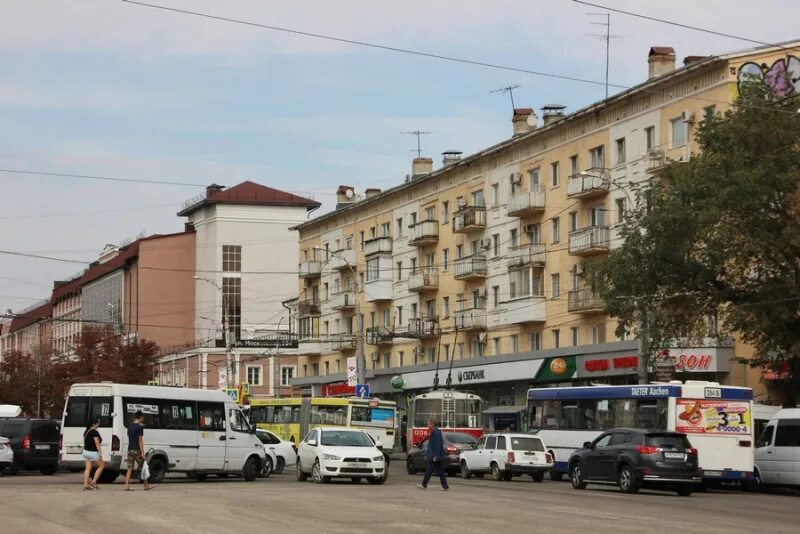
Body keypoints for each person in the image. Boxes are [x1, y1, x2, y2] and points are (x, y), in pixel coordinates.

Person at [124, 411, 154, 491]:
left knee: (129, 468)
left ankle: (126, 486)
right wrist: (143, 453)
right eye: (143, 418)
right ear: (140, 417)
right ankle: (146, 485)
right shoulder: (140, 428)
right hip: (137, 450)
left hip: (130, 449)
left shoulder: (129, 427)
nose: (143, 419)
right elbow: (140, 441)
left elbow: (130, 439)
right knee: (143, 468)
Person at [416, 418, 449, 491]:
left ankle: (424, 484)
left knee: (428, 470)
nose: (427, 425)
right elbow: (432, 445)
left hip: (434, 456)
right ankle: (445, 486)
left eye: (428, 424)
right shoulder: (434, 431)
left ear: (432, 424)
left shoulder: (436, 432)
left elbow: (438, 444)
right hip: (434, 455)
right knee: (440, 471)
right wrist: (427, 454)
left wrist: (436, 455)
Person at [82, 418, 104, 490]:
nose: (99, 424)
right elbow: (97, 443)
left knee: (88, 469)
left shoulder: (86, 431)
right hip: (93, 452)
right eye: (98, 423)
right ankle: (94, 481)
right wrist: (100, 454)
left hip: (85, 452)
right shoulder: (94, 432)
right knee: (101, 466)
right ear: (94, 424)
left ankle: (85, 485)